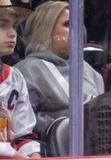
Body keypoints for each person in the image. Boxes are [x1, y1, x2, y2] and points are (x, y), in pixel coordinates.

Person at [15, 1, 104, 138]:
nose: (78, 30)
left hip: (93, 151)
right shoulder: (26, 71)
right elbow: (20, 127)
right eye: (68, 24)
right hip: (45, 155)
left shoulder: (92, 73)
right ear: (45, 29)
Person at [0, 0, 40, 158]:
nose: (12, 33)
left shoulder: (15, 77)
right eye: (2, 25)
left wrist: (34, 157)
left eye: (14, 26)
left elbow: (23, 134)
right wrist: (14, 156)